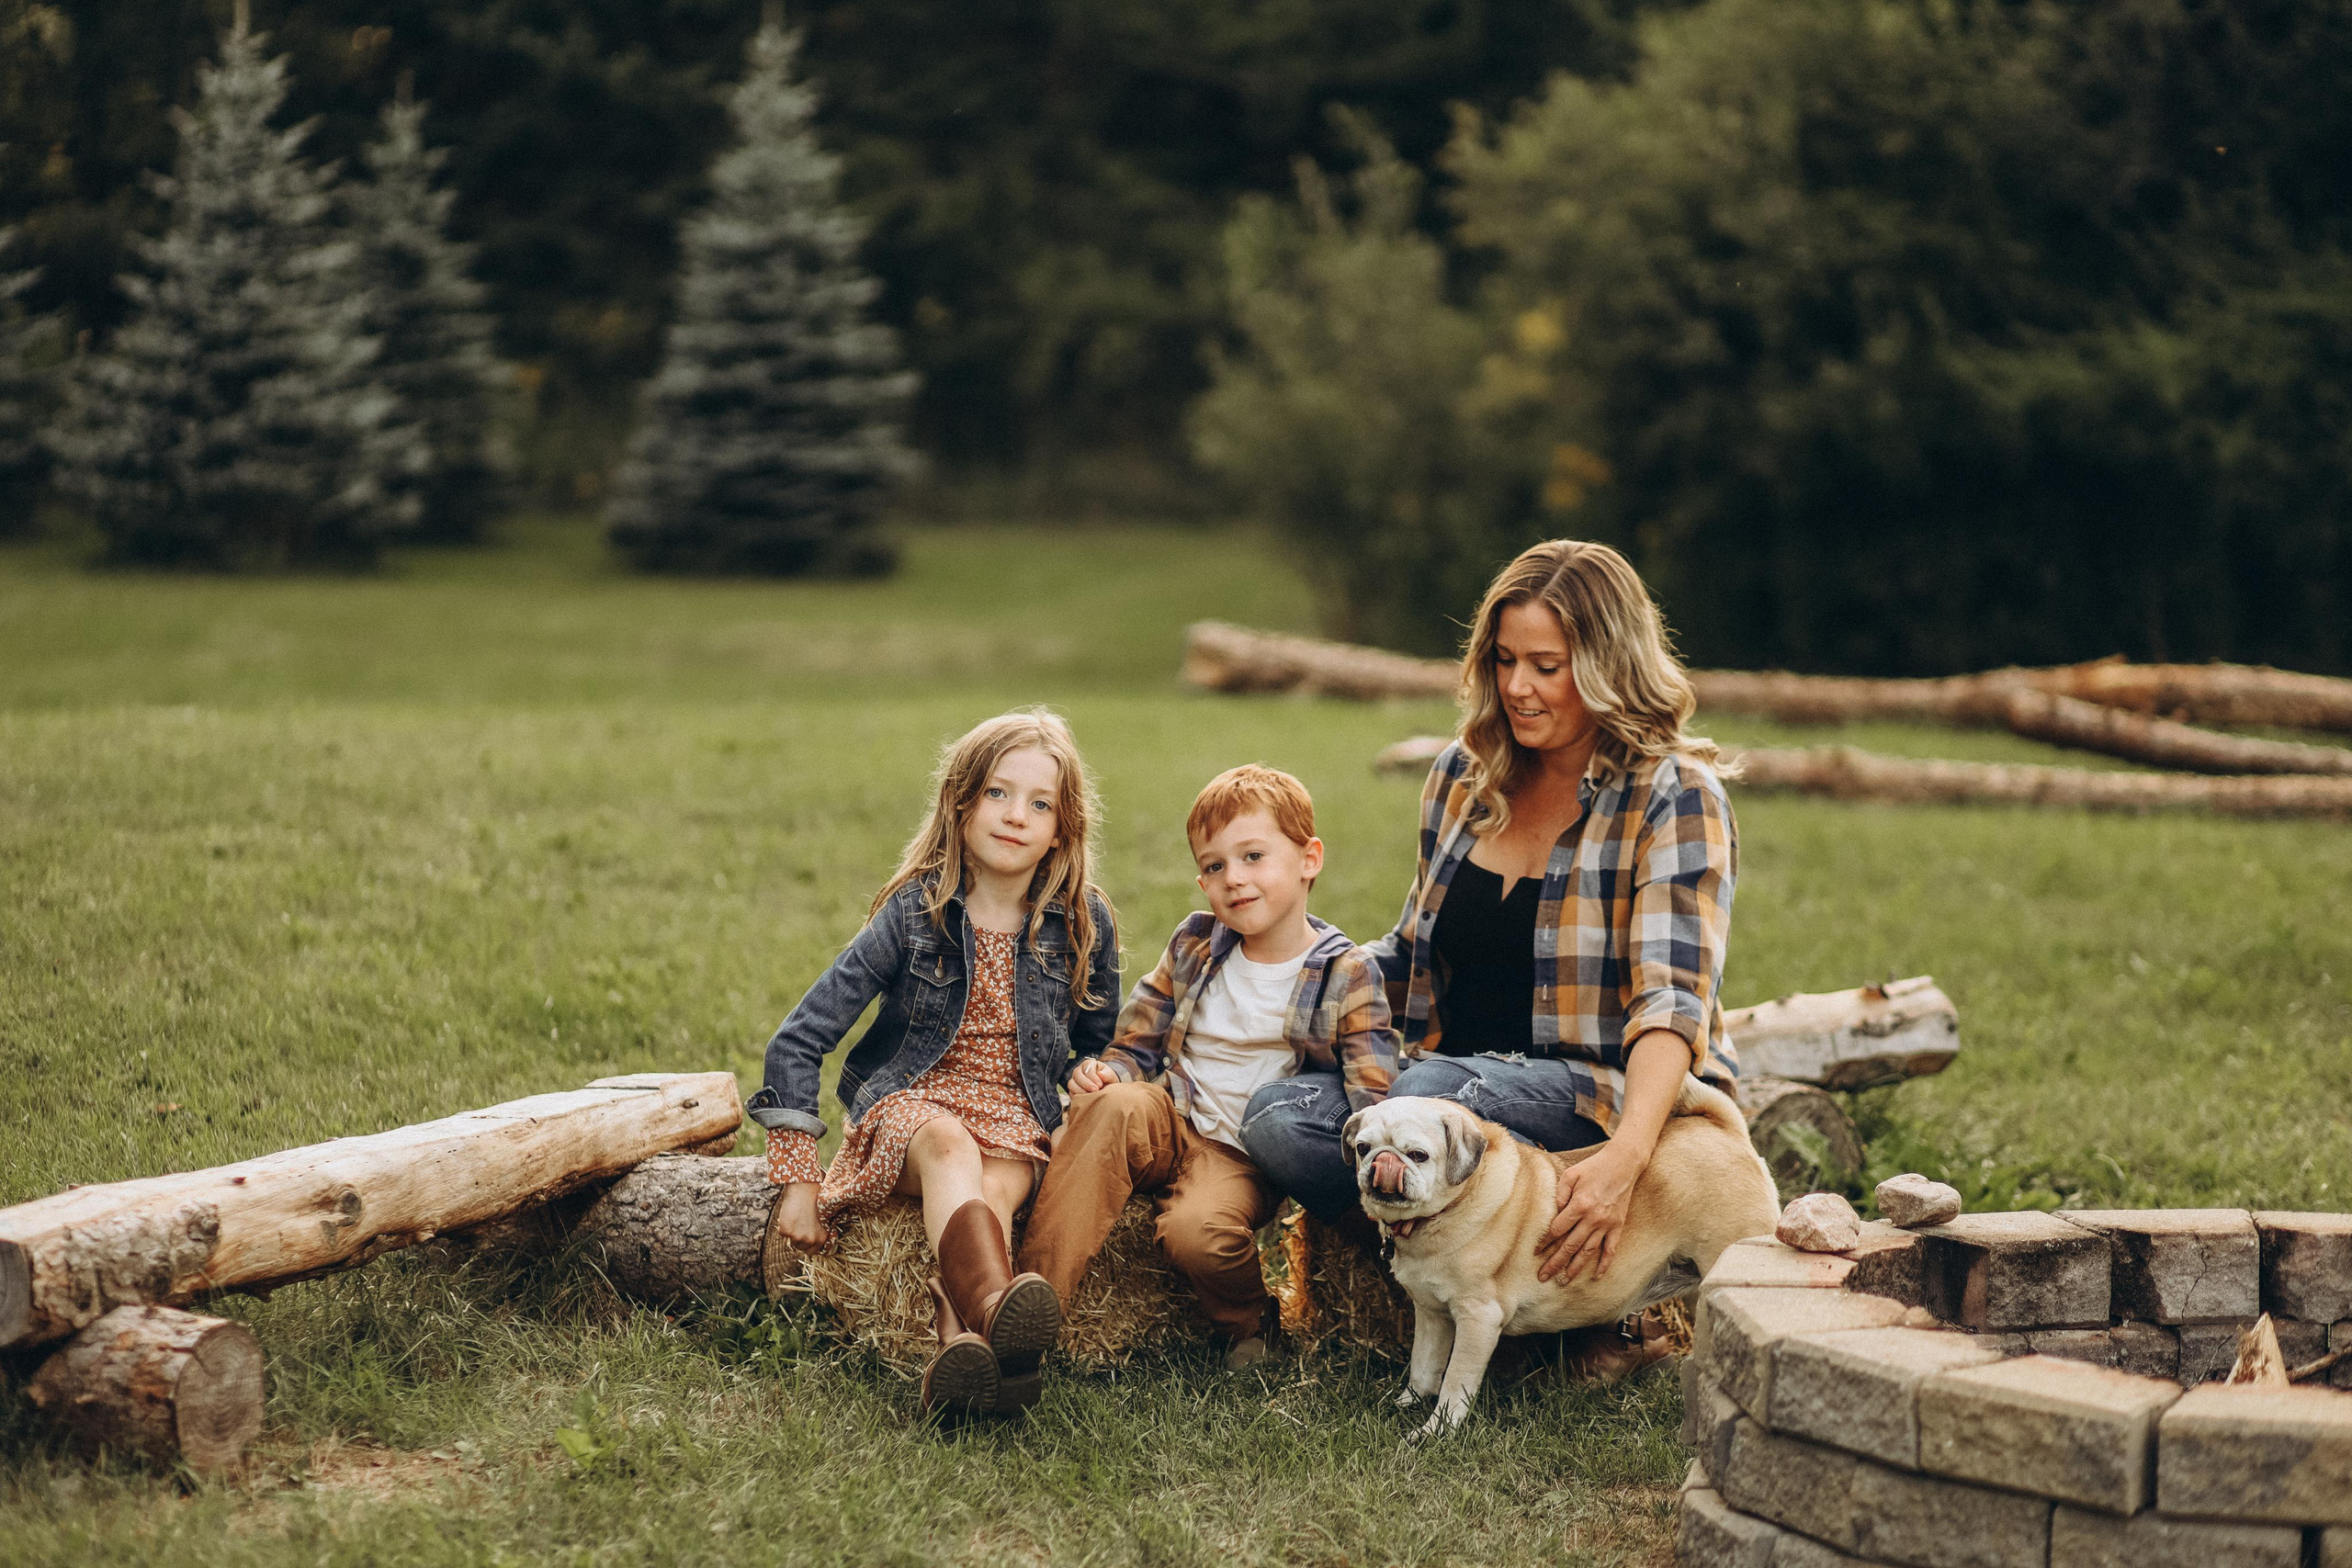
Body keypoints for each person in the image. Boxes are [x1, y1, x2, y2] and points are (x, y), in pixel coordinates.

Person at [1239, 539, 1741, 1379]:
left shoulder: (1674, 794)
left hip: (1596, 1099)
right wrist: (1296, 979)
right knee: (1278, 1117)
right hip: (1453, 1086)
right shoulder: (1463, 775)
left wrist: (1624, 1164)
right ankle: (1491, 1299)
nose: (1517, 686)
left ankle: (1574, 1313)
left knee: (1433, 1092)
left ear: (1610, 665)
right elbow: (1412, 952)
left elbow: (1671, 1005)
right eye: (1505, 660)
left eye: (1547, 665)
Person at [749, 707, 1119, 1416]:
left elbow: (1100, 1041)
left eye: (1040, 803)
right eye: (998, 792)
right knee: (953, 1148)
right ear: (960, 801)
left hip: (1016, 1117)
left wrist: (1090, 1068)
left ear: (1062, 828)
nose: (1016, 815)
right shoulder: (914, 913)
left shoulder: (1083, 920)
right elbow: (797, 1038)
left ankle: (960, 1350)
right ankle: (998, 1312)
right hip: (915, 1106)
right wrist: (797, 1179)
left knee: (999, 1188)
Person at [1019, 764, 1396, 1369]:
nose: (1233, 878)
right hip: (1171, 1115)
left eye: (1253, 856)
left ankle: (1251, 1323)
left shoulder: (1345, 972)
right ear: (1201, 881)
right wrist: (1111, 1071)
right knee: (1111, 1106)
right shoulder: (1195, 941)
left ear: (1309, 859)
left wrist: (1382, 1164)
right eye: (1215, 866)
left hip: (1241, 1154)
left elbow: (1372, 1091)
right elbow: (1139, 1040)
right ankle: (1030, 1304)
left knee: (1198, 1235)